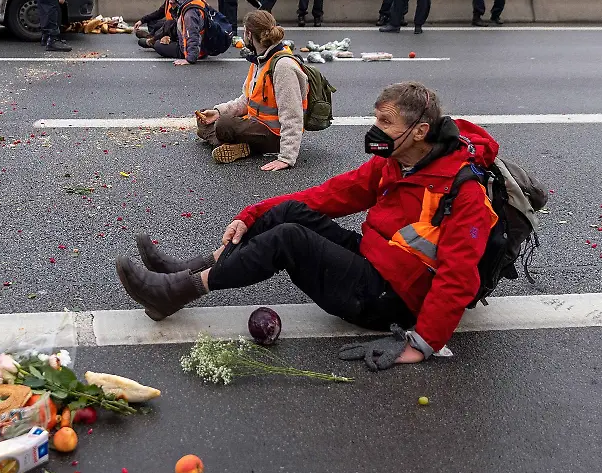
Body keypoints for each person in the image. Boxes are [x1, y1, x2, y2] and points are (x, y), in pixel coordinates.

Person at [116, 82, 501, 371]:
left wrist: (421, 343)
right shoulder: (399, 161)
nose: (375, 129)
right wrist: (254, 211)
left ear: (419, 131)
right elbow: (330, 194)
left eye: (385, 122)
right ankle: (190, 268)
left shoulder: (464, 192)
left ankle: (178, 291)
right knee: (289, 213)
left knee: (290, 239)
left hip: (389, 298)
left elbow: (459, 276)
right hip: (373, 261)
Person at [195, 10, 307, 171]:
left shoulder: (283, 67)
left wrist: (287, 157)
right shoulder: (259, 60)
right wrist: (218, 111)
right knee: (206, 118)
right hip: (255, 125)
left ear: (249, 34)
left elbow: (292, 115)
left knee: (224, 124)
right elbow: (246, 100)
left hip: (274, 134)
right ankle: (242, 147)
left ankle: (245, 146)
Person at [153, 0, 216, 66]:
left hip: (195, 49)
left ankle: (153, 42)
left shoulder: (190, 14)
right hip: (202, 44)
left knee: (158, 45)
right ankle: (152, 40)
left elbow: (193, 35)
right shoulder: (197, 1)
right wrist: (174, 7)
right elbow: (181, 22)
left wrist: (190, 59)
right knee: (169, 24)